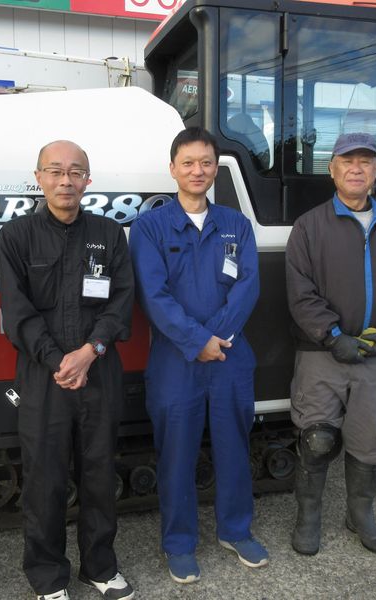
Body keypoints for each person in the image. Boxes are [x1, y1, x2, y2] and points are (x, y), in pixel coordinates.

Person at [0, 141, 135, 600]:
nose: (66, 180)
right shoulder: (16, 236)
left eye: (76, 172)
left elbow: (121, 302)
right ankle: (48, 576)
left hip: (99, 372)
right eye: (55, 171)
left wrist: (91, 351)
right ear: (38, 177)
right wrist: (60, 360)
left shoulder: (109, 234)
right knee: (44, 481)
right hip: (43, 378)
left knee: (99, 475)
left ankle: (100, 567)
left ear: (87, 180)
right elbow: (17, 312)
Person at [129, 127, 269, 584]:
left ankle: (235, 530)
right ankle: (179, 543)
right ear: (172, 168)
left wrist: (217, 338)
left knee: (234, 448)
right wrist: (196, 341)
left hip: (229, 356)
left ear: (215, 169)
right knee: (176, 455)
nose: (197, 170)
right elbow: (154, 296)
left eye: (206, 162)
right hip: (176, 361)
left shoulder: (236, 224)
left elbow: (248, 286)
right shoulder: (149, 228)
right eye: (188, 162)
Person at [284, 132, 376, 555]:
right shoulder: (309, 226)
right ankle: (308, 518)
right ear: (332, 170)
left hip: (375, 356)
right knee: (317, 440)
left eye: (365, 162)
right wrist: (332, 336)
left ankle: (360, 515)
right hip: (321, 355)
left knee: (370, 440)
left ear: (375, 171)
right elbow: (300, 292)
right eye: (347, 161)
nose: (356, 169)